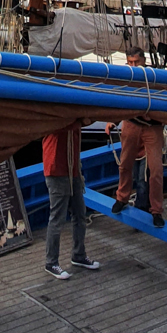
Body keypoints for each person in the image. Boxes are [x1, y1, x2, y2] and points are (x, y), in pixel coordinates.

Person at [111, 47, 167, 226]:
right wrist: (113, 120)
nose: (134, 66)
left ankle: (156, 210)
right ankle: (122, 197)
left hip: (152, 127)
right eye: (130, 62)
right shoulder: (126, 78)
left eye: (136, 62)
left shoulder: (154, 77)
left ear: (144, 61)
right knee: (125, 163)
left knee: (155, 170)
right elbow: (120, 100)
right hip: (131, 123)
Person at [42, 118, 100, 279]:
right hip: (57, 170)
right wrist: (81, 119)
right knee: (57, 219)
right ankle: (51, 262)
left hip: (73, 169)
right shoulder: (56, 114)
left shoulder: (75, 116)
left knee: (80, 214)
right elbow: (59, 123)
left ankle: (79, 255)